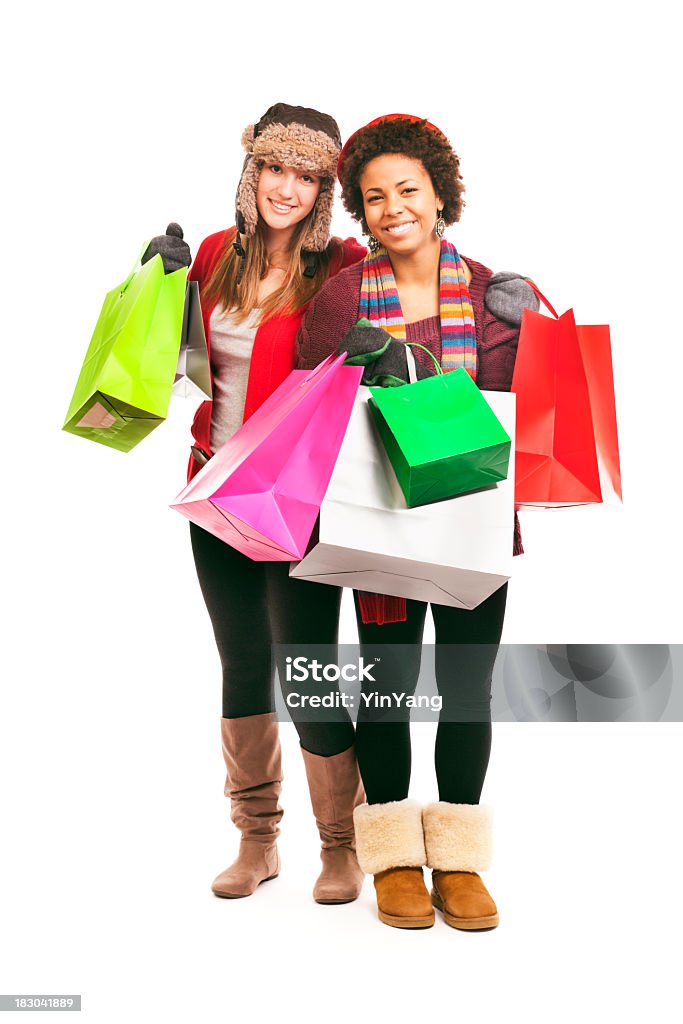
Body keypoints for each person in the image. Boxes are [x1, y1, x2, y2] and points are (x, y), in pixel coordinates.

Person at [296, 114, 539, 930]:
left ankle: (460, 862)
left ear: (440, 197)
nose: (392, 207)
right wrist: (340, 356)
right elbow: (307, 403)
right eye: (374, 197)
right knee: (389, 687)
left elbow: (520, 409)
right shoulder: (341, 294)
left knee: (467, 690)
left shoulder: (488, 290)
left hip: (472, 523)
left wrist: (529, 322)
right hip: (380, 526)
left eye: (408, 190)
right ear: (361, 214)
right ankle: (394, 856)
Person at [152, 104, 367, 904]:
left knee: (306, 671)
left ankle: (340, 849)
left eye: (307, 176)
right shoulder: (215, 254)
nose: (287, 187)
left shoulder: (342, 265)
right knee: (242, 665)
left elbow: (421, 273)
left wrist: (498, 297)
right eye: (275, 168)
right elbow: (174, 361)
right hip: (214, 488)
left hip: (298, 502)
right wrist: (153, 278)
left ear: (323, 189)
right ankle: (257, 840)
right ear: (252, 173)